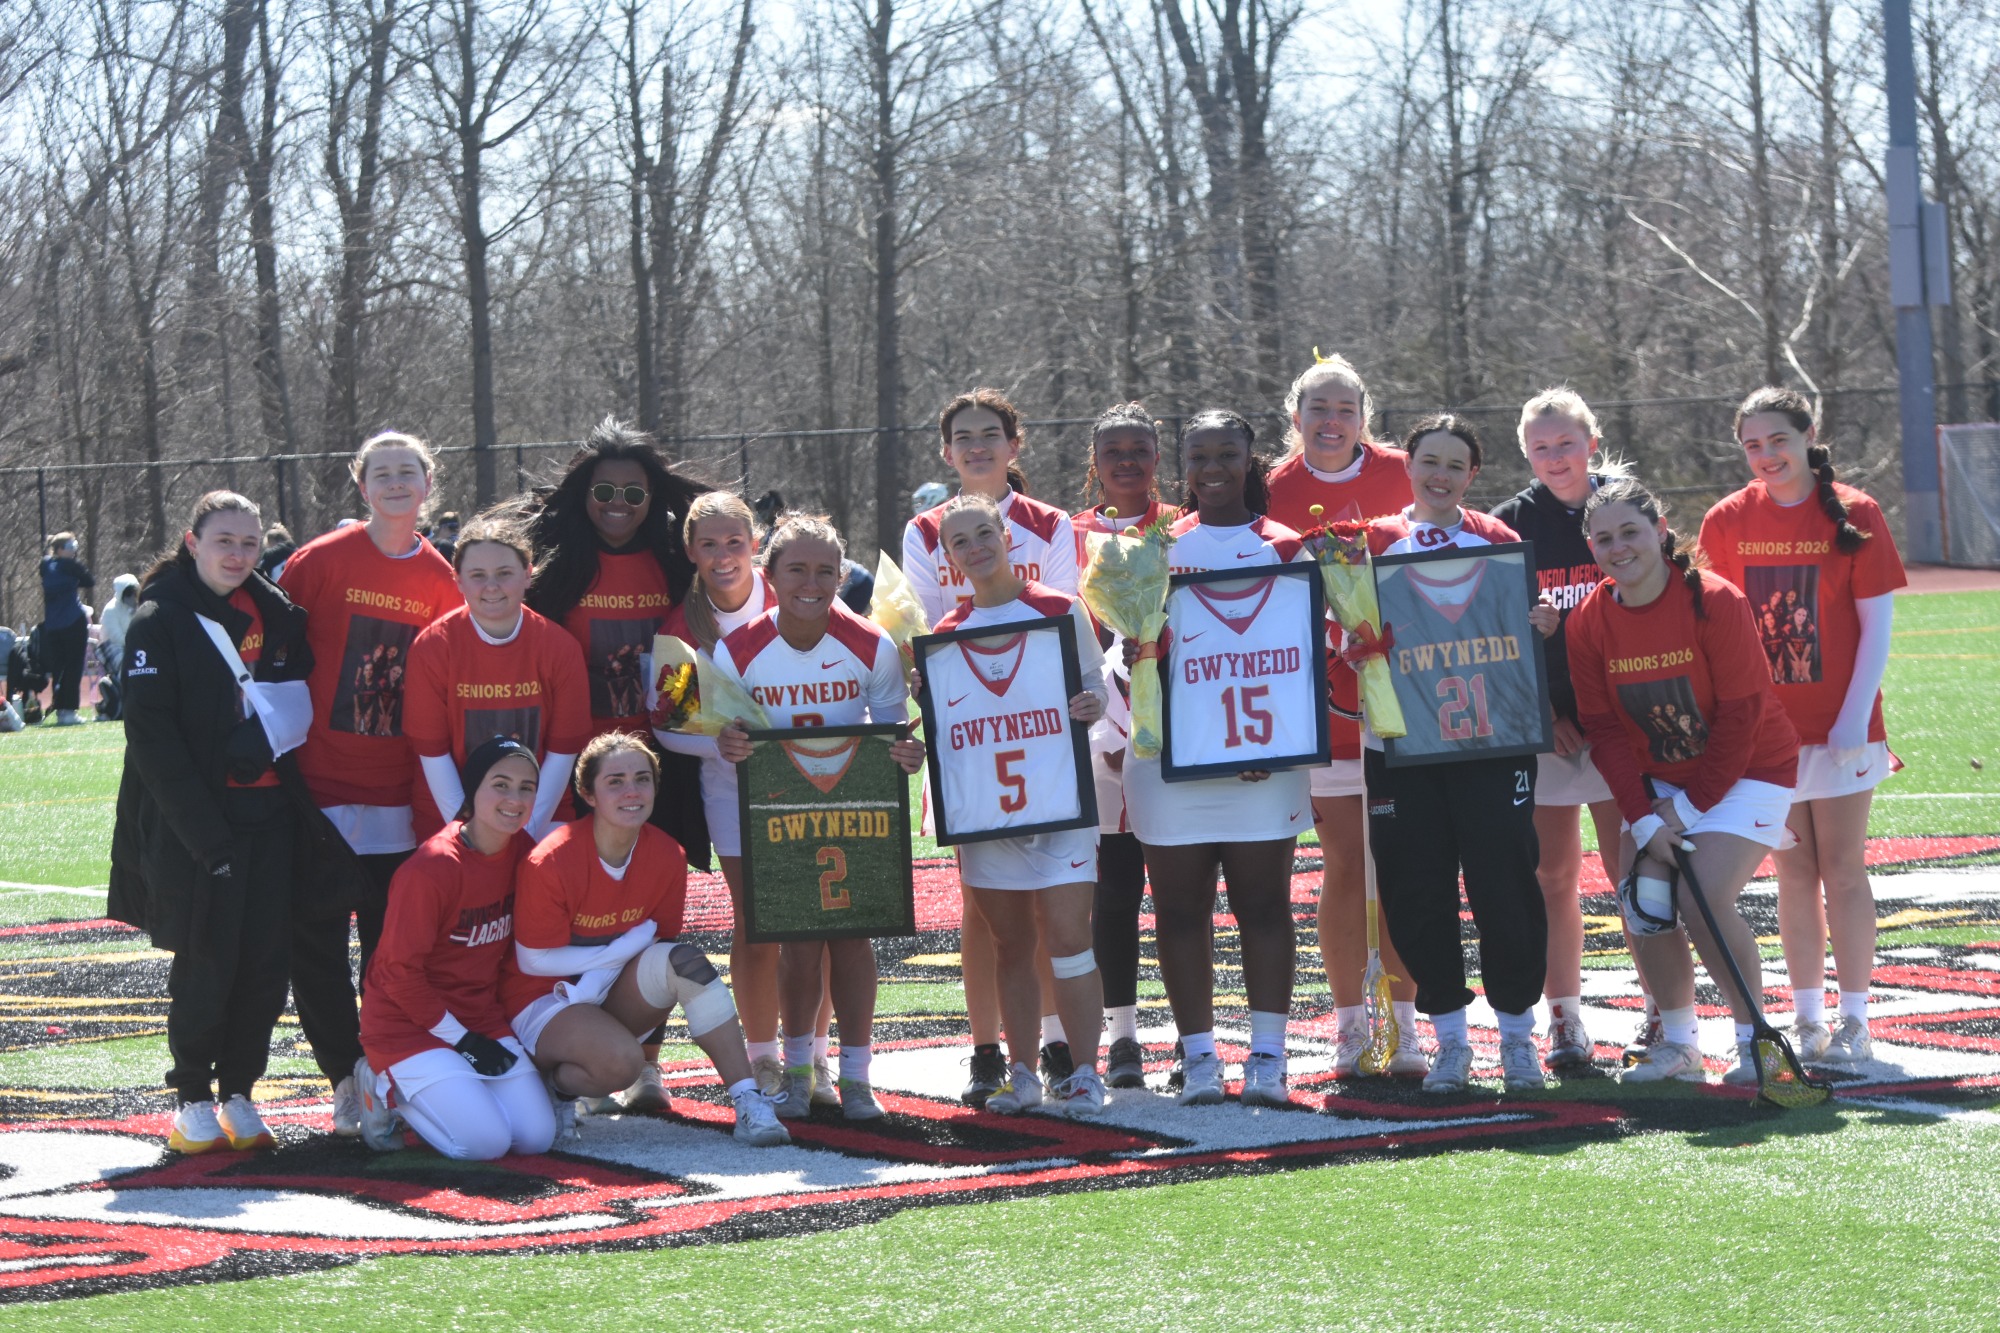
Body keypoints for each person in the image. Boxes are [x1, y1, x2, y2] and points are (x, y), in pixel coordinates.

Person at [1568, 478, 1802, 1085]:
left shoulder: (1714, 601)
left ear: (1661, 530)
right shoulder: (1589, 623)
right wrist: (1646, 818)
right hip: (1660, 783)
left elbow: (1743, 715)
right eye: (1603, 538)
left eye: (1630, 532)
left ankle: (1757, 1041)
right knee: (1644, 904)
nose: (1619, 548)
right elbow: (1604, 730)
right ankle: (1679, 1042)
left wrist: (1687, 811)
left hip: (1751, 768)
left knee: (1700, 897)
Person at [1701, 386, 1908, 1066]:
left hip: (1845, 728)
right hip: (1769, 735)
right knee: (1793, 873)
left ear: (1807, 433)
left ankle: (1855, 1018)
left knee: (1843, 869)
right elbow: (1721, 633)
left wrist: (1854, 714)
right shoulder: (1726, 520)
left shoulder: (1856, 511)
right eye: (1752, 445)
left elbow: (1877, 625)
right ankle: (1809, 1019)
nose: (1766, 455)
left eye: (1777, 440)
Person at [107, 491, 316, 1152]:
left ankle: (241, 1093)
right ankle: (193, 1096)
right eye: (225, 540)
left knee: (263, 963)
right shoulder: (157, 618)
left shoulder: (274, 610)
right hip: (200, 823)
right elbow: (152, 742)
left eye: (250, 543)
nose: (238, 554)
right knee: (206, 962)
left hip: (271, 810)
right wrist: (205, 837)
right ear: (192, 541)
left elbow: (295, 693)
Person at [1360, 415, 1558, 1094]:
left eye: (1455, 465)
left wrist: (1542, 623)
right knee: (1415, 885)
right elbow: (1340, 630)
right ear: (1407, 463)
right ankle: (1448, 1037)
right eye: (1429, 461)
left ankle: (1515, 1035)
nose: (1440, 475)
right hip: (1399, 742)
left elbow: (1522, 626)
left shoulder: (1496, 539)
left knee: (1504, 880)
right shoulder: (1372, 541)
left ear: (1474, 475)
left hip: (1489, 741)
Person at [522, 417, 712, 1112]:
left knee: (655, 916)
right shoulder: (558, 571)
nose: (618, 505)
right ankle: (585, 1045)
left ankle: (648, 1062)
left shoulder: (674, 565)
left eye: (634, 494)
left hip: (662, 765)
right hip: (579, 771)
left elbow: (691, 655)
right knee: (586, 921)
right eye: (603, 491)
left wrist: (684, 724)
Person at [1122, 409, 1309, 1108]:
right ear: (1183, 464)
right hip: (1172, 761)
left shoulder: (1286, 547)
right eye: (1199, 456)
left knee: (1264, 905)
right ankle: (1199, 1056)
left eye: (1227, 454)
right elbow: (1127, 658)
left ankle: (1268, 1055)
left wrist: (1275, 738)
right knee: (1177, 908)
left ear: (1250, 459)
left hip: (1264, 760)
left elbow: (1301, 661)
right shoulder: (1152, 546)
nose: (1213, 469)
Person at [280, 431, 464, 1135]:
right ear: (362, 486)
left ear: (427, 483)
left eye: (407, 471)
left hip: (398, 796)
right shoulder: (319, 561)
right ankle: (344, 1077)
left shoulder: (445, 578)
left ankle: (389, 1072)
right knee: (317, 948)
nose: (395, 482)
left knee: (392, 955)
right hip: (319, 792)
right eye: (381, 472)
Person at [713, 514, 928, 1118]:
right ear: (771, 574)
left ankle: (857, 1077)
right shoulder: (737, 649)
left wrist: (906, 755)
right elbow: (724, 736)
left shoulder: (870, 643)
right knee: (799, 948)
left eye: (825, 570)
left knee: (854, 941)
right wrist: (725, 744)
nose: (812, 582)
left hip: (851, 809)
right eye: (797, 569)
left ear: (843, 574)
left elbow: (890, 737)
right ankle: (801, 1072)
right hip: (780, 811)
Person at [902, 389, 1079, 1107]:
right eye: (963, 438)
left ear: (1016, 443)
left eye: (990, 434)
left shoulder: (1052, 523)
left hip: (1039, 732)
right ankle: (986, 1048)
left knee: (1045, 903)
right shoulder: (923, 530)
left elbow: (1061, 627)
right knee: (981, 904)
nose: (977, 447)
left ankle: (1057, 1040)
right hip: (969, 731)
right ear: (946, 453)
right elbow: (922, 628)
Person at [1262, 355, 1427, 1078]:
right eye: (1317, 409)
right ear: (1294, 416)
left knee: (1406, 864)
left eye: (1345, 409)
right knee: (1343, 865)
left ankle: (1407, 1020)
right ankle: (1350, 1022)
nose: (1331, 423)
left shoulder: (1403, 471)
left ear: (1366, 415)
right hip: (1319, 703)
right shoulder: (1269, 487)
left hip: (1406, 699)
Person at [502, 733, 790, 1145]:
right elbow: (532, 961)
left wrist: (620, 957)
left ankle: (747, 1099)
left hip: (607, 988)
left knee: (684, 963)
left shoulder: (668, 854)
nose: (631, 791)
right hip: (543, 997)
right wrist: (617, 950)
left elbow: (659, 946)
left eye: (642, 779)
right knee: (622, 1064)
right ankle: (557, 1086)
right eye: (615, 781)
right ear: (588, 793)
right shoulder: (551, 859)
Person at [931, 493, 1111, 1115]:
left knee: (1068, 937)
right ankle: (1024, 1073)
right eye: (961, 541)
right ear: (947, 557)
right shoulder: (946, 635)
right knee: (1009, 945)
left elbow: (1096, 684)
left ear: (1005, 534)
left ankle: (1087, 1071)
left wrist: (1092, 706)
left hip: (1059, 799)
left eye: (985, 532)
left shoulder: (1061, 609)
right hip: (990, 815)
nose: (976, 547)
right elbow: (945, 731)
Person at [655, 492, 837, 1103]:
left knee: (821, 921)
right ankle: (762, 1061)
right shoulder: (683, 627)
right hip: (734, 791)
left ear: (756, 542)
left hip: (818, 784)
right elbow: (666, 725)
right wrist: (718, 747)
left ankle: (815, 1056)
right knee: (759, 927)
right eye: (708, 544)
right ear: (690, 552)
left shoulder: (794, 588)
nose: (724, 555)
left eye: (735, 541)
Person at [1488, 389, 1631, 1069]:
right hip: (1544, 724)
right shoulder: (1508, 524)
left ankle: (1663, 1011)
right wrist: (1544, 711)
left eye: (1566, 443)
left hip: (1622, 722)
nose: (1555, 457)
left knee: (1636, 872)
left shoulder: (1626, 506)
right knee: (1553, 874)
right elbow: (1495, 635)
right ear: (1525, 452)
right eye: (1541, 447)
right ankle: (1565, 1019)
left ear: (1592, 441)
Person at [355, 736, 556, 1159]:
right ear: (473, 790)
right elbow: (397, 973)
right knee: (485, 1143)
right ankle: (384, 1089)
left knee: (535, 1138)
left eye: (526, 787)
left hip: (479, 1017)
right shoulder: (432, 868)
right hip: (407, 1026)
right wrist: (461, 1040)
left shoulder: (523, 851)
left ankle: (450, 1093)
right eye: (500, 784)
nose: (514, 798)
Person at [1071, 402, 1172, 1090]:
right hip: (1095, 744)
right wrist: (1106, 731)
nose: (1128, 462)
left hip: (1176, 740)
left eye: (1141, 450)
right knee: (1111, 892)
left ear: (1158, 458)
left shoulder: (1180, 528)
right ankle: (1124, 1034)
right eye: (1115, 452)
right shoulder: (1068, 535)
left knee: (1180, 891)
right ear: (1094, 463)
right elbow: (1070, 639)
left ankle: (1192, 1037)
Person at [404, 518, 590, 841]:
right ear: (458, 580)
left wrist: (524, 833)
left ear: (528, 575)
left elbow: (562, 753)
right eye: (477, 576)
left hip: (541, 817)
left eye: (504, 573)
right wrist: (470, 837)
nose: (491, 586)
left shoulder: (560, 647)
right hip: (450, 820)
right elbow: (433, 754)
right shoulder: (432, 647)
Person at [38, 532, 95, 726]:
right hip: (73, 621)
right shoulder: (70, 566)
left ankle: (61, 708)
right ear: (61, 549)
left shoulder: (46, 565)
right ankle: (69, 710)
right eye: (71, 548)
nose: (74, 552)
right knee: (73, 666)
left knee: (59, 668)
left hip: (53, 625)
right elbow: (89, 580)